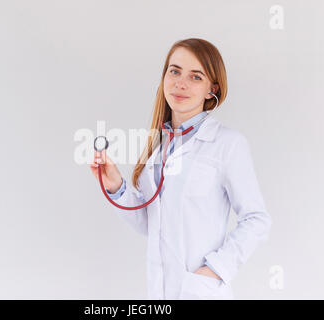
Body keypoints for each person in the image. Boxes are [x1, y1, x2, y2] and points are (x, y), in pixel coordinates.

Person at [90, 38, 272, 299]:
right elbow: (153, 224)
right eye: (174, 71)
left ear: (213, 89)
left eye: (196, 77)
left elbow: (257, 219)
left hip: (201, 292)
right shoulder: (159, 146)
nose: (181, 83)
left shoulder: (227, 144)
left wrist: (214, 271)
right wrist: (116, 186)